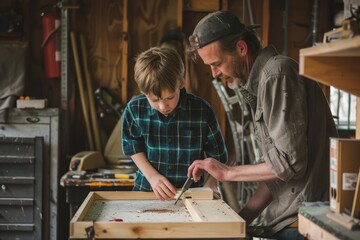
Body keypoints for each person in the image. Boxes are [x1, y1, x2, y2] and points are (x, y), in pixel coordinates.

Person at [186, 11, 338, 239]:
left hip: (305, 222)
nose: (214, 74)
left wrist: (227, 172)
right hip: (287, 220)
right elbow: (274, 171)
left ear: (241, 48)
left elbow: (289, 164)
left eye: (216, 64)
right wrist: (239, 220)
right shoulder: (260, 84)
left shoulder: (277, 74)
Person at [122, 46, 228, 201]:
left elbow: (218, 157)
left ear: (181, 83)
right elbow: (132, 146)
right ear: (144, 92)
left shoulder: (202, 111)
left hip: (191, 196)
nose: (163, 106)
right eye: (155, 100)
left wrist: (212, 183)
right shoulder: (135, 108)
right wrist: (152, 176)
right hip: (147, 191)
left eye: (169, 98)